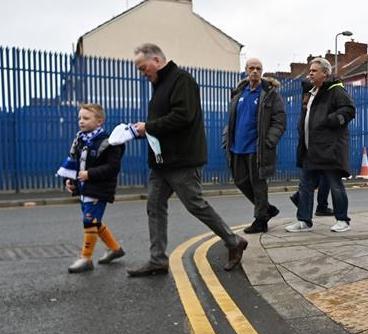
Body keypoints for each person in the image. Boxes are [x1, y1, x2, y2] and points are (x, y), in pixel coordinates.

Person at [128, 43, 247, 276]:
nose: (143, 74)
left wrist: (148, 127)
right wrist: (140, 131)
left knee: (195, 204)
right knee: (154, 206)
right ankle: (158, 259)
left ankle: (233, 241)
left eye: (143, 68)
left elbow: (183, 116)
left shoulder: (182, 80)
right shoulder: (160, 85)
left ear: (156, 60)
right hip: (162, 162)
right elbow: (164, 122)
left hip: (182, 159)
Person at [285, 57, 355, 233]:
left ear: (325, 73)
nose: (310, 73)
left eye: (314, 71)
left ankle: (342, 220)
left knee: (335, 185)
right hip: (311, 149)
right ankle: (304, 221)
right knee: (306, 185)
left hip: (329, 149)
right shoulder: (312, 92)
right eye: (310, 70)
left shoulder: (336, 90)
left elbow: (349, 110)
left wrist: (331, 120)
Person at [61, 103, 126, 273]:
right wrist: (70, 180)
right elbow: (74, 163)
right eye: (80, 118)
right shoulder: (80, 139)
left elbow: (113, 168)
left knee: (89, 220)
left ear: (100, 121)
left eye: (86, 118)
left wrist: (89, 174)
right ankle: (115, 249)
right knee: (94, 221)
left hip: (99, 189)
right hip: (85, 188)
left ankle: (86, 258)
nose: (81, 121)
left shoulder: (109, 142)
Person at [223, 58, 286, 234]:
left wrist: (268, 141)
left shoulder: (270, 94)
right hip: (237, 147)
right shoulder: (239, 93)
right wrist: (226, 138)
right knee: (240, 181)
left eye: (258, 68)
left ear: (262, 71)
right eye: (251, 68)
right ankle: (266, 209)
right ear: (245, 70)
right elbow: (232, 120)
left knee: (258, 185)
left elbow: (279, 121)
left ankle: (260, 221)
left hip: (257, 148)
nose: (255, 71)